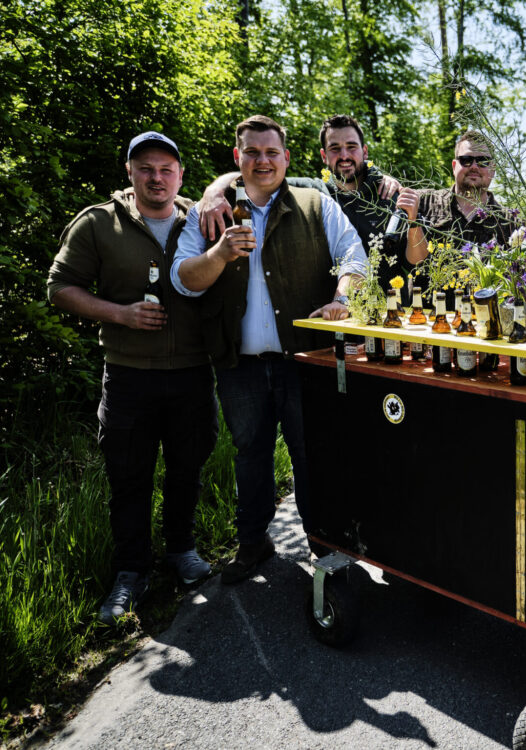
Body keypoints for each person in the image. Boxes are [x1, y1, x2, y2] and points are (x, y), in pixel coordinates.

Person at [171, 115, 366, 584]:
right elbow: (183, 280)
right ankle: (252, 544)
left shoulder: (314, 204)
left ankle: (324, 547)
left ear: (287, 159)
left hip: (304, 360)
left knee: (310, 454)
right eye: (252, 153)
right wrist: (220, 252)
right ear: (237, 158)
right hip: (239, 364)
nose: (263, 161)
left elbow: (356, 255)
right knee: (250, 455)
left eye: (271, 153)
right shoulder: (212, 213)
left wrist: (342, 299)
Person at [48, 131, 218, 625]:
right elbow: (60, 288)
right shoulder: (100, 224)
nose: (157, 177)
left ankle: (182, 552)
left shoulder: (202, 219)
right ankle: (130, 571)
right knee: (128, 477)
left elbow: (243, 185)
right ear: (130, 172)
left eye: (167, 169)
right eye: (146, 168)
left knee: (187, 467)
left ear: (181, 175)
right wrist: (119, 315)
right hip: (127, 376)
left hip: (191, 372)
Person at [196, 114, 426, 289]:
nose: (344, 155)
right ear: (323, 156)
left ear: (364, 152)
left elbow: (416, 261)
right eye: (335, 148)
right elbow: (258, 175)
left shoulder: (389, 194)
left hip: (389, 313)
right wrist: (214, 191)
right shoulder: (314, 192)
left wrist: (413, 221)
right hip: (335, 317)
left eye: (351, 147)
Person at [416, 130, 516, 248]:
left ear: (493, 169)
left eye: (483, 161)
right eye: (466, 160)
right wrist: (388, 182)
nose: (474, 166)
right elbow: (399, 197)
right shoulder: (423, 202)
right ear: (454, 167)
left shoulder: (509, 223)